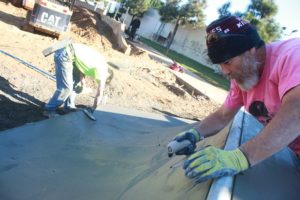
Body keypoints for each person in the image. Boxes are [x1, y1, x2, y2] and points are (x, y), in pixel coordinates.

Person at [169, 16, 300, 184]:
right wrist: (194, 134)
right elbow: (223, 115)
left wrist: (240, 157)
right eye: (220, 64)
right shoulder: (244, 75)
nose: (225, 71)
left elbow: (296, 112)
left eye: (227, 62)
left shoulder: (292, 54)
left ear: (250, 50)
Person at [43, 43, 112, 118]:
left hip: (71, 54)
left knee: (76, 85)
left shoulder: (100, 64)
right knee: (66, 88)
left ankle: (68, 107)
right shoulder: (102, 72)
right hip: (65, 54)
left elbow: (81, 65)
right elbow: (99, 94)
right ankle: (49, 110)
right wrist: (94, 108)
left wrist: (82, 83)